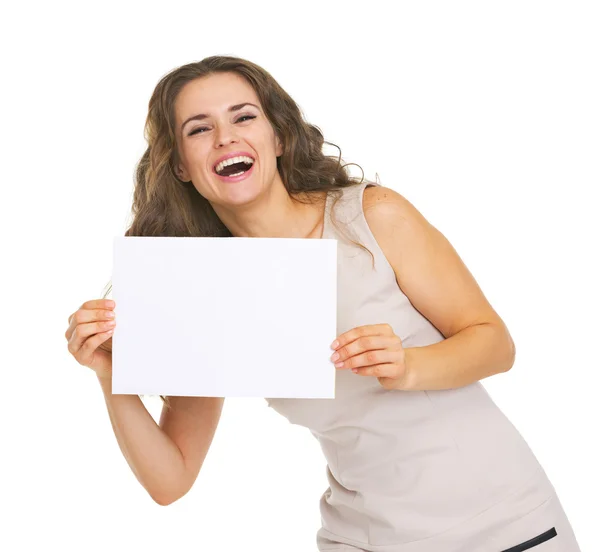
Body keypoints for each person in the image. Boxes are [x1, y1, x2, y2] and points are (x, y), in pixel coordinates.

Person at [64, 55, 581, 551]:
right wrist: (112, 376)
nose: (226, 137)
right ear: (179, 164)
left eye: (244, 117)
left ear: (280, 137)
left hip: (497, 525)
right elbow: (170, 480)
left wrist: (408, 366)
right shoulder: (205, 287)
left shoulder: (370, 216)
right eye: (198, 129)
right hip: (358, 536)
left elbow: (495, 343)